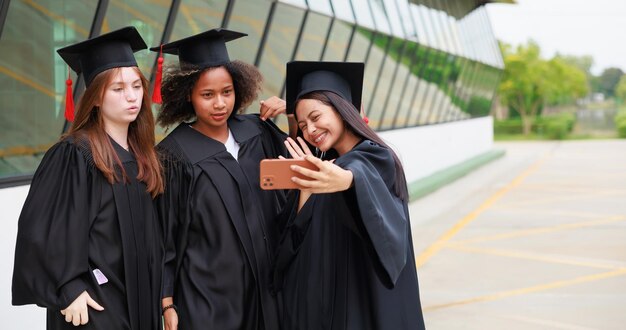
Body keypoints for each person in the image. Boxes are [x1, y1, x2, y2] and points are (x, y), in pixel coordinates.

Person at [11, 26, 164, 329]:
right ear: (95, 97)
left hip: (140, 300)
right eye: (118, 89)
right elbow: (43, 230)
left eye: (136, 86)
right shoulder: (75, 154)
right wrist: (69, 288)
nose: (132, 96)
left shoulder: (144, 155)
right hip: (95, 304)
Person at [151, 28, 291, 330]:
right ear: (188, 95)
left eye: (226, 92)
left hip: (267, 290)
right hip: (209, 298)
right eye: (207, 95)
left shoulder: (258, 131)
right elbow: (165, 235)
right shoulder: (173, 155)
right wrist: (167, 302)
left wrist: (293, 113)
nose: (219, 104)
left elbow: (307, 167)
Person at [272, 61, 426, 329]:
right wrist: (307, 187)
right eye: (304, 124)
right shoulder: (327, 165)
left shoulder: (376, 156)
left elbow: (361, 173)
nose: (310, 130)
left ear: (342, 109)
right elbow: (298, 238)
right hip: (332, 300)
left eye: (316, 117)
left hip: (366, 300)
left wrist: (348, 180)